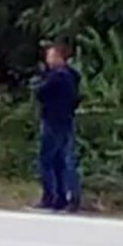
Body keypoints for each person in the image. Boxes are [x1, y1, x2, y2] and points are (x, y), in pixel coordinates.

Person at [35, 41, 83, 212]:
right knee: (63, 158)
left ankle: (53, 195)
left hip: (53, 119)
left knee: (49, 159)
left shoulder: (56, 76)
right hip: (67, 119)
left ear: (58, 57)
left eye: (50, 56)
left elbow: (41, 92)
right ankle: (65, 196)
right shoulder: (72, 75)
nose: (47, 60)